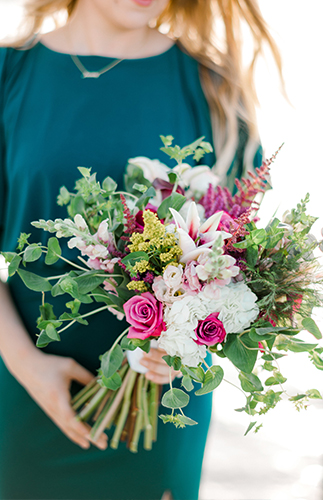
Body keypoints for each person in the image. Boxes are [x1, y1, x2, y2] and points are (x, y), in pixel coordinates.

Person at [0, 1, 282, 499]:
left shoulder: (215, 88)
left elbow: (238, 264)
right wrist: (29, 368)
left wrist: (184, 348)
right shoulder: (9, 74)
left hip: (160, 399)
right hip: (26, 385)